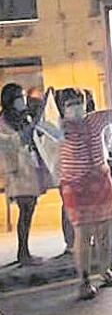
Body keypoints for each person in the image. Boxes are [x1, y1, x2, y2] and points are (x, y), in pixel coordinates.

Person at [57, 79, 112, 300]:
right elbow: (39, 130)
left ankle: (105, 270)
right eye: (70, 103)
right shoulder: (60, 128)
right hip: (76, 188)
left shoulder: (96, 119)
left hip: (100, 183)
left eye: (79, 101)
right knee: (83, 234)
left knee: (104, 231)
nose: (76, 106)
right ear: (62, 107)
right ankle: (84, 280)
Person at [0, 84, 50, 266]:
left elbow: (34, 137)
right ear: (9, 100)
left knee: (29, 209)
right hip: (17, 173)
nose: (22, 101)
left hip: (30, 171)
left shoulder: (24, 117)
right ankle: (23, 253)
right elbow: (15, 141)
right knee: (25, 209)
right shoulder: (4, 121)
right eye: (19, 97)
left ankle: (24, 251)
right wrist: (36, 117)